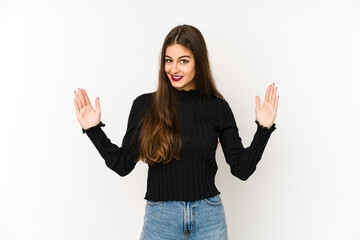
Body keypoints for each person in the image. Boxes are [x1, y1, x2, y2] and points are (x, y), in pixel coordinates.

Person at [73, 24, 279, 240]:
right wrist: (93, 130)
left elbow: (241, 169)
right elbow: (123, 165)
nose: (174, 69)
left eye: (183, 61)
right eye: (169, 60)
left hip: (209, 216)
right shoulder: (145, 105)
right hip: (161, 219)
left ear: (198, 62)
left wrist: (263, 129)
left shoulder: (217, 108)